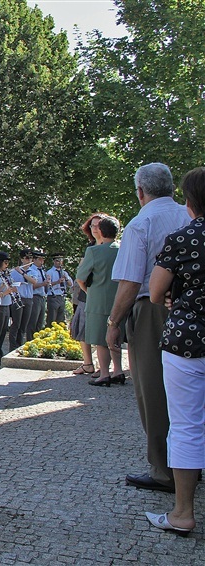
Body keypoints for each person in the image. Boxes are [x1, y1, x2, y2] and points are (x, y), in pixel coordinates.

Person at [108, 163, 190, 493]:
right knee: (190, 390)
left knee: (153, 391)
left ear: (140, 191)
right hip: (191, 307)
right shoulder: (190, 215)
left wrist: (113, 323)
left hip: (152, 310)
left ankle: (165, 470)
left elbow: (129, 282)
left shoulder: (142, 222)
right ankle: (192, 464)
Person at [145, 167, 205, 535]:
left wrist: (175, 294)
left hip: (189, 340)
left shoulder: (184, 237)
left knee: (185, 425)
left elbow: (154, 292)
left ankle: (183, 512)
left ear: (190, 201)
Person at [75, 215, 125, 386]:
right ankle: (118, 370)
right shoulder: (124, 249)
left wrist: (89, 292)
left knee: (101, 339)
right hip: (121, 298)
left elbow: (81, 278)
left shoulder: (94, 251)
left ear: (102, 231)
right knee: (116, 336)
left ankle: (104, 373)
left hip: (98, 300)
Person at [8, 249, 37, 349]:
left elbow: (34, 281)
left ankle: (19, 346)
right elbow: (9, 283)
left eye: (31, 258)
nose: (29, 260)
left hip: (28, 299)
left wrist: (22, 273)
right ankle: (12, 346)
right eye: (27, 258)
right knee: (16, 323)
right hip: (18, 299)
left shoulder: (33, 271)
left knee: (24, 325)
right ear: (22, 259)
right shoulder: (14, 272)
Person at [26, 250, 51, 339]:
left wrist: (48, 281)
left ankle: (37, 340)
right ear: (35, 260)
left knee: (40, 322)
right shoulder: (31, 270)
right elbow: (31, 286)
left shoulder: (42, 270)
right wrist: (42, 284)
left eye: (43, 260)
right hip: (35, 297)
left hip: (42, 297)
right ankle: (30, 340)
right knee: (33, 321)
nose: (42, 262)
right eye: (40, 259)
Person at [46, 254, 73, 325]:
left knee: (61, 319)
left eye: (61, 261)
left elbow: (71, 285)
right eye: (57, 261)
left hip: (62, 296)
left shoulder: (64, 272)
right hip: (53, 296)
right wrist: (57, 282)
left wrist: (66, 279)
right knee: (52, 318)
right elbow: (47, 285)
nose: (60, 263)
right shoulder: (49, 272)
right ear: (54, 261)